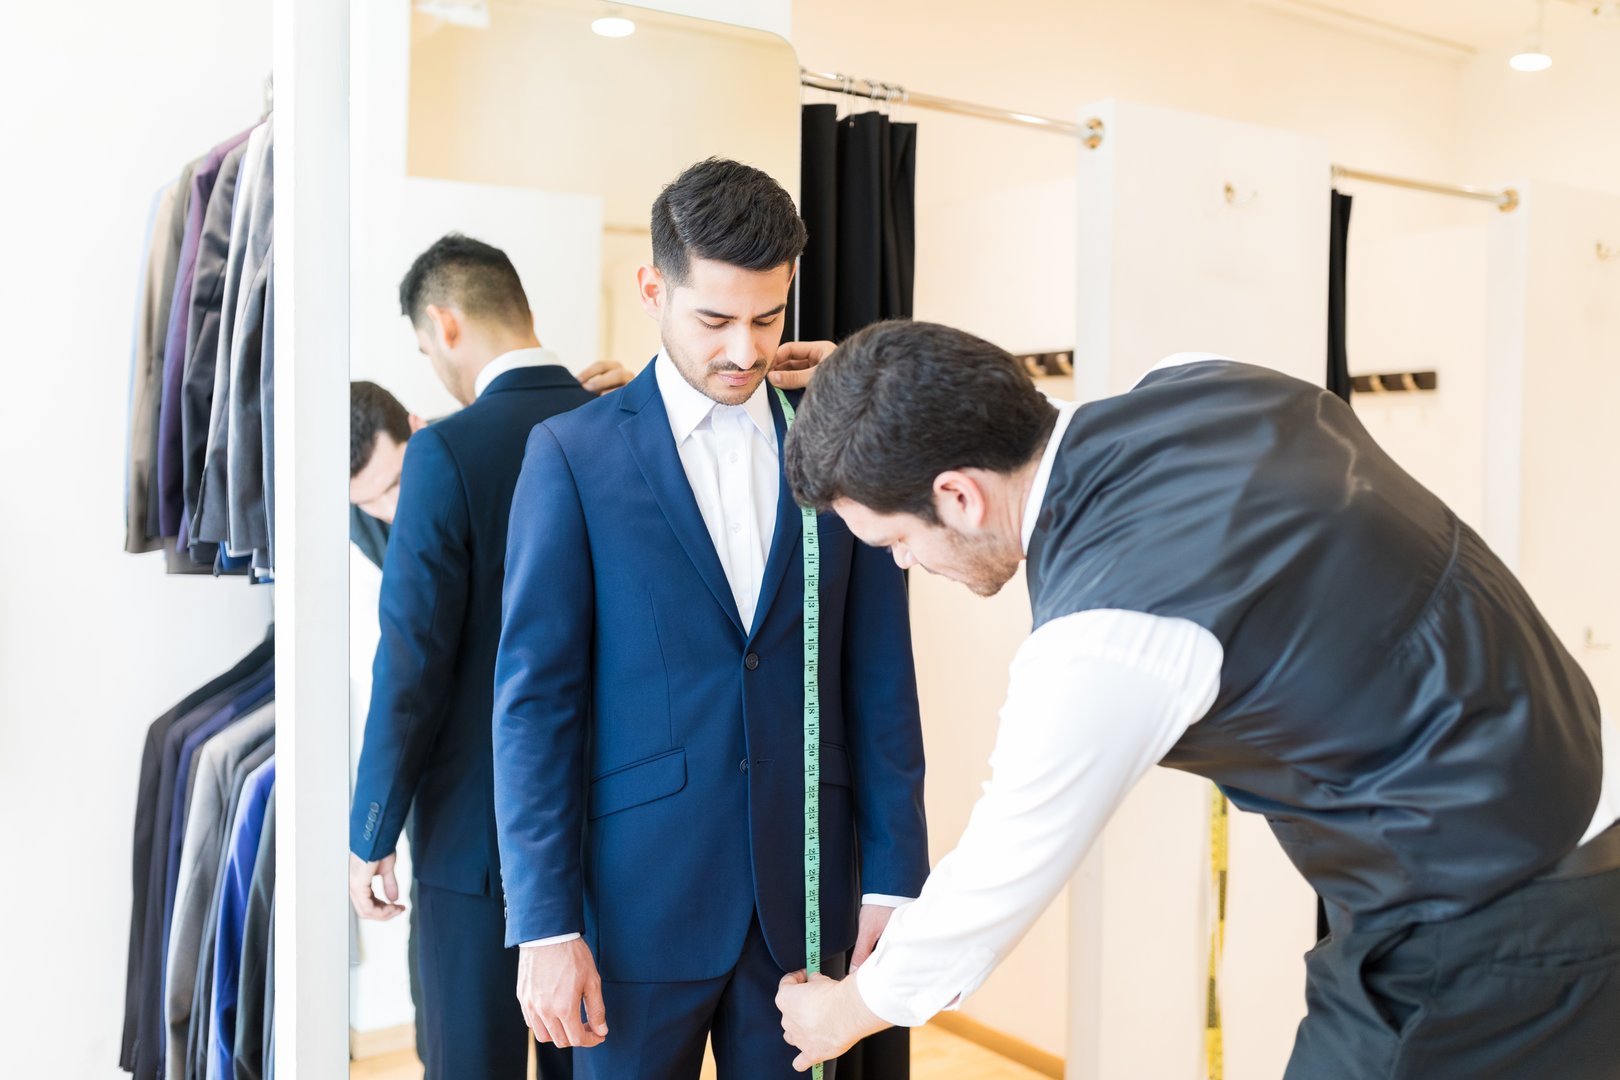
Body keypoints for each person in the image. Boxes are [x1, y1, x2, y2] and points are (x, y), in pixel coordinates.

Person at [775, 321, 1620, 1079]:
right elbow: (999, 414)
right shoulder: (1204, 377)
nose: (903, 564)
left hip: (1490, 919)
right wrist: (875, 390)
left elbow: (999, 879)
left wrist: (845, 1012)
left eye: (895, 539)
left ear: (957, 495)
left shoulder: (1103, 632)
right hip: (1572, 807)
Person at [491, 159, 930, 1080]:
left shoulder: (838, 445)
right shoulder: (572, 457)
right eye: (714, 319)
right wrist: (544, 922)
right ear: (653, 289)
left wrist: (895, 879)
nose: (744, 350)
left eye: (768, 318)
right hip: (633, 909)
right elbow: (536, 704)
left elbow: (882, 678)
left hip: (806, 911)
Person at [346, 234, 630, 1080]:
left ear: (445, 324)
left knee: (471, 1062)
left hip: (477, 837)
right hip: (613, 826)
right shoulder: (619, 419)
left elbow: (413, 661)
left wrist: (372, 828)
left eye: (427, 349)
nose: (434, 367)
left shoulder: (446, 450)